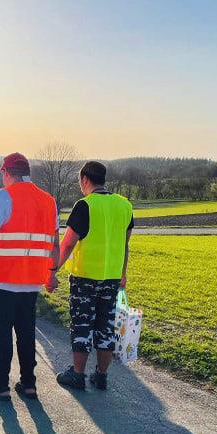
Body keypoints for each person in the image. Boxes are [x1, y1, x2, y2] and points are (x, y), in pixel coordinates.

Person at [0, 153, 60, 401]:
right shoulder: (49, 201)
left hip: (0, 278)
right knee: (27, 333)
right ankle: (29, 384)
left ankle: (1, 386)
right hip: (31, 281)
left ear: (7, 172)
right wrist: (52, 273)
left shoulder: (3, 196)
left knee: (2, 333)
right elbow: (55, 244)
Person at [56, 161, 133, 391]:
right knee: (105, 326)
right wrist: (123, 273)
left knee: (82, 325)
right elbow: (125, 243)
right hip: (111, 278)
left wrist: (52, 270)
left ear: (85, 180)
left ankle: (78, 374)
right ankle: (101, 375)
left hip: (85, 277)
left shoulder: (84, 206)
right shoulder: (124, 205)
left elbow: (68, 243)